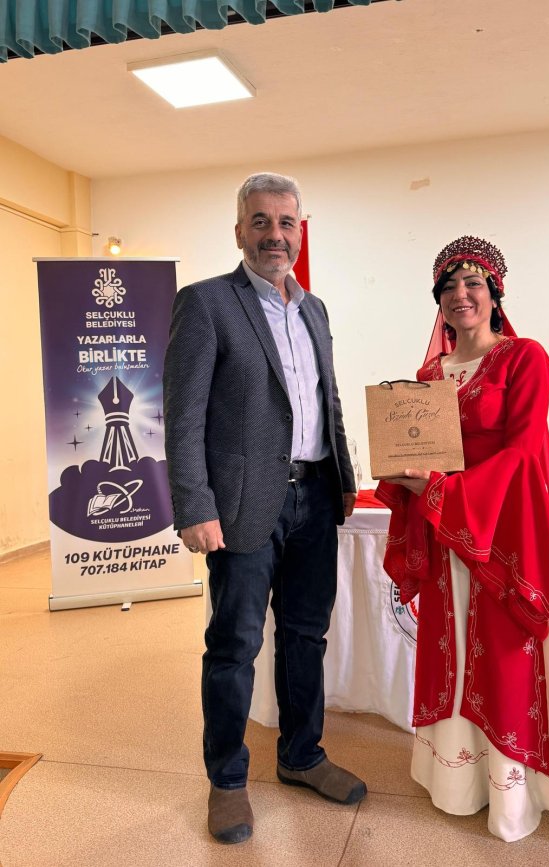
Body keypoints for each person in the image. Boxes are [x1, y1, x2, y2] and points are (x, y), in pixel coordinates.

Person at [163, 172, 365, 845]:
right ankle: (227, 781)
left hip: (315, 498)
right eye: (260, 221)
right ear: (239, 231)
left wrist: (344, 477)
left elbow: (327, 400)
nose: (274, 234)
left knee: (306, 635)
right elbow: (182, 417)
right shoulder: (206, 303)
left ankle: (302, 755)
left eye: (286, 222)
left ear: (300, 231)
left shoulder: (315, 310)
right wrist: (194, 504)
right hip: (242, 505)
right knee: (234, 645)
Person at [376, 236, 549, 848]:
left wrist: (440, 487)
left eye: (473, 283)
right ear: (438, 301)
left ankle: (513, 792)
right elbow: (418, 451)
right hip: (448, 534)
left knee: (504, 655)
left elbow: (524, 452)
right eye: (449, 286)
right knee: (451, 649)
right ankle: (457, 782)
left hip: (503, 535)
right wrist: (405, 476)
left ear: (495, 293)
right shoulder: (428, 377)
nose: (461, 294)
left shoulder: (525, 358)